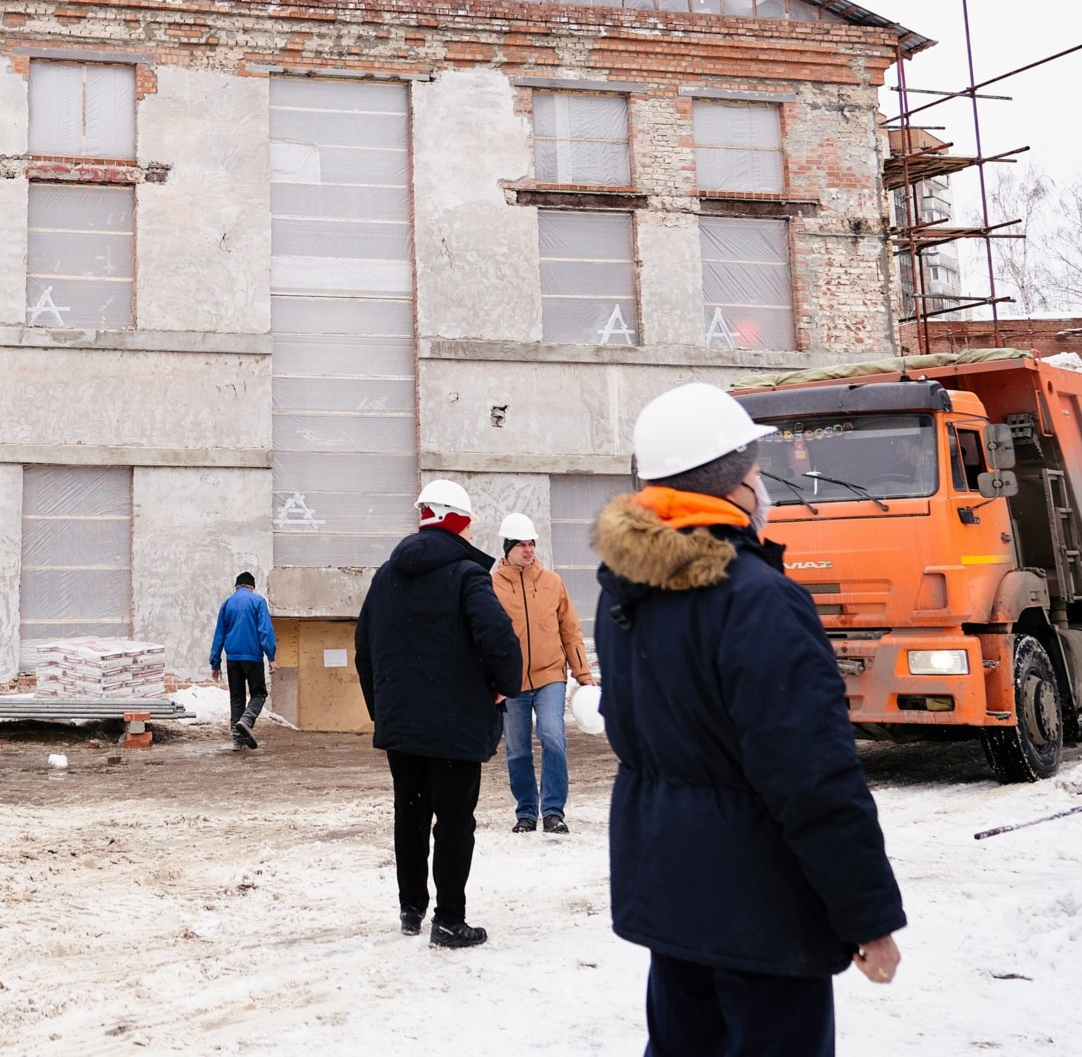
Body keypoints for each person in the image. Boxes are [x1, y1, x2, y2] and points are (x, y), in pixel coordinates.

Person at [594, 383, 906, 1056]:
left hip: (670, 889)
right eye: (757, 468)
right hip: (760, 907)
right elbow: (812, 773)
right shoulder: (759, 598)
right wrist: (868, 915)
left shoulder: (624, 588)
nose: (763, 485)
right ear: (733, 483)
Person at [353, 479, 523, 949]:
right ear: (462, 521)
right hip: (456, 723)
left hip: (402, 725)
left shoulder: (385, 576)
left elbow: (363, 650)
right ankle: (449, 920)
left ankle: (411, 910)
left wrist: (383, 710)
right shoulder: (468, 576)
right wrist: (504, 688)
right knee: (453, 819)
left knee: (409, 814)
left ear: (424, 516)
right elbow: (500, 640)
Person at [491, 510, 595, 835]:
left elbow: (571, 631)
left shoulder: (552, 583)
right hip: (511, 681)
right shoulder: (490, 586)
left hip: (551, 675)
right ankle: (526, 813)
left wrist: (583, 674)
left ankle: (553, 811)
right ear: (507, 548)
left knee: (552, 735)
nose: (528, 549)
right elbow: (483, 636)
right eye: (521, 544)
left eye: (531, 543)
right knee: (517, 748)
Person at [207, 571, 277, 749]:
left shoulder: (227, 603)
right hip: (252, 657)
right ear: (251, 586)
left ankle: (238, 741)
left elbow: (219, 635)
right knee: (259, 693)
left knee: (236, 697)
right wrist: (271, 656)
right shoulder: (257, 601)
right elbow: (265, 631)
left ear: (237, 586)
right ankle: (246, 721)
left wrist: (215, 663)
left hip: (233, 659)